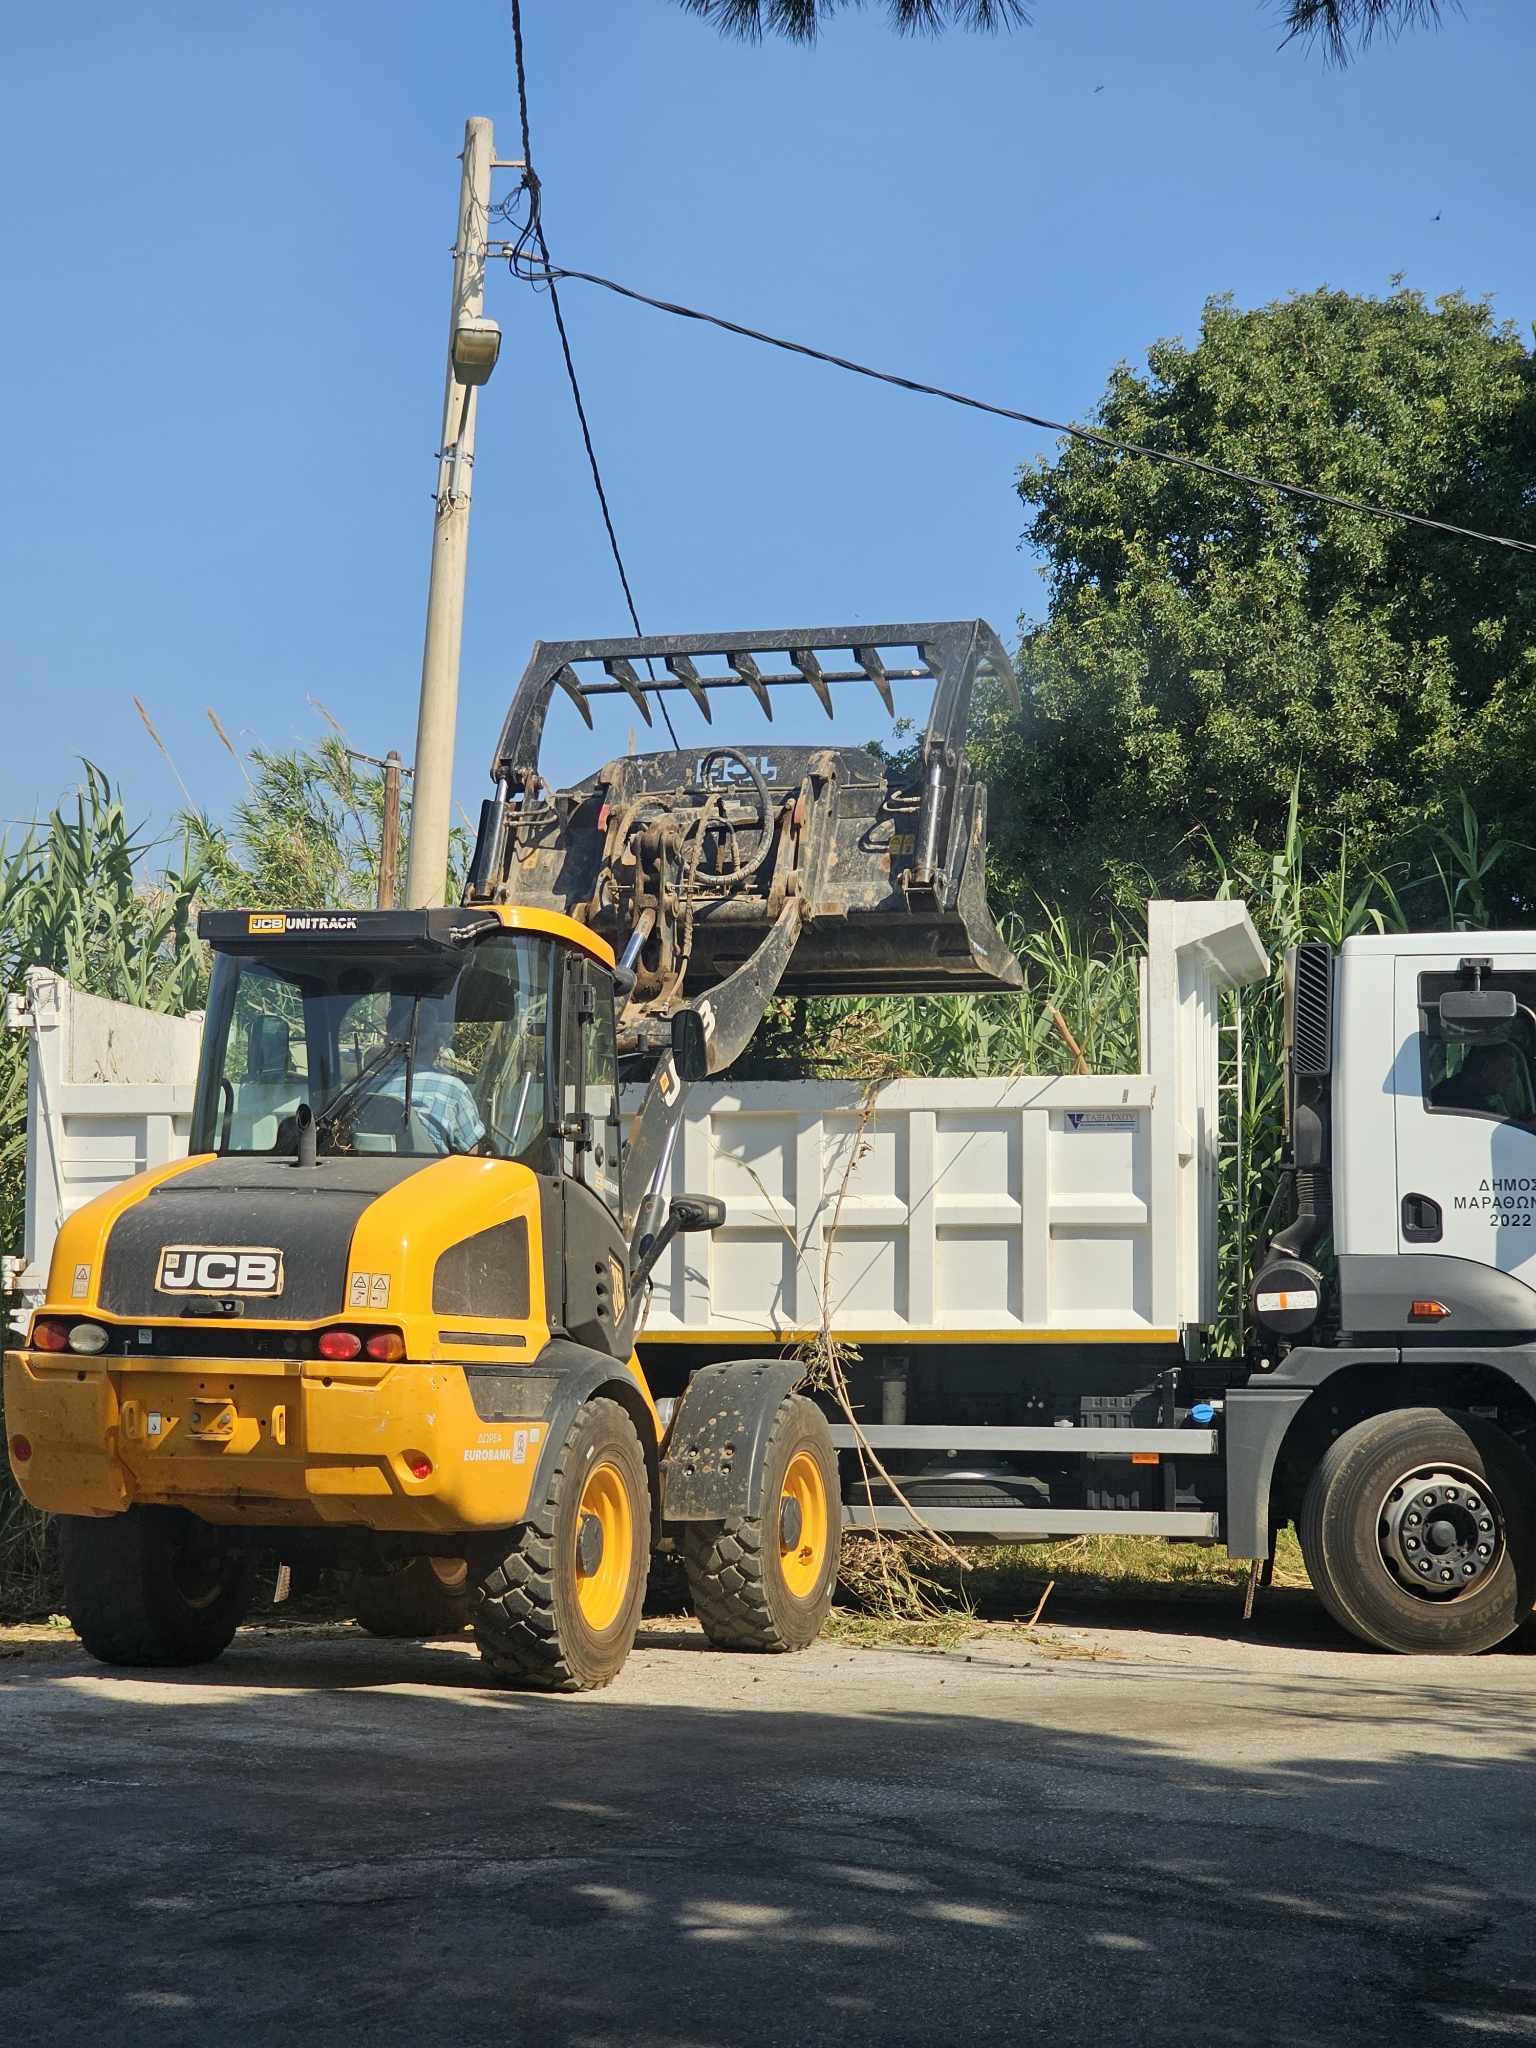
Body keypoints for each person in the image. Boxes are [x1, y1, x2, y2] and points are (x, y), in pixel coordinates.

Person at [373, 1003, 486, 1154]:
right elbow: (473, 1155)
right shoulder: (452, 1089)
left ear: (388, 1042)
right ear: (437, 1043)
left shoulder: (364, 1091)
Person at [1432, 1041, 1533, 1122]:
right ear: (1485, 1068)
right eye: (1506, 1070)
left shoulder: (1490, 1097)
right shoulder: (1454, 1099)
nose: (1511, 1079)